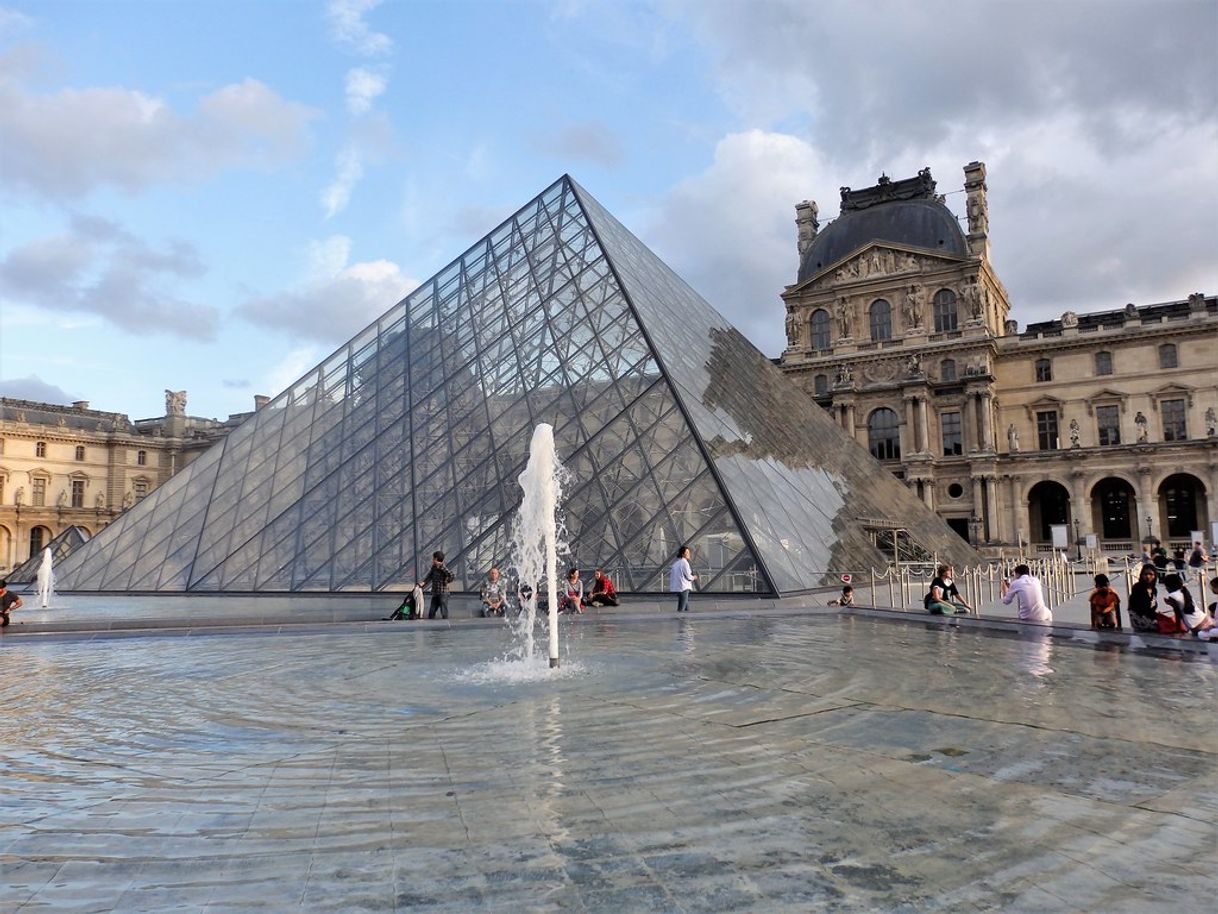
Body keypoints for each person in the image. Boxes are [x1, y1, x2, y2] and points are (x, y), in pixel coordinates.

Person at [417, 551, 454, 620]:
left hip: (443, 593)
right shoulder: (434, 567)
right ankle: (431, 621)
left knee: (443, 610)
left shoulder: (443, 568)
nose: (432, 560)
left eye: (433, 559)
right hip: (435, 592)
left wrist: (447, 581)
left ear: (436, 559)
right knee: (432, 610)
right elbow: (430, 576)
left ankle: (445, 623)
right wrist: (423, 582)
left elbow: (451, 575)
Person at [1128, 564, 1160, 632]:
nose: (1148, 576)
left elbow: (1152, 606)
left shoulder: (1154, 590)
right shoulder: (1137, 588)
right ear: (1141, 575)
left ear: (1155, 576)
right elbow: (1140, 608)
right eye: (1145, 574)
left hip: (1149, 617)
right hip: (1139, 618)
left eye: (1151, 574)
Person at [669, 545, 697, 613]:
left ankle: (686, 621)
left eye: (689, 552)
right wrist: (694, 577)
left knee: (686, 608)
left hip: (677, 587)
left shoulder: (676, 564)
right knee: (681, 608)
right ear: (682, 554)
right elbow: (688, 576)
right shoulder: (684, 563)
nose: (689, 554)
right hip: (684, 587)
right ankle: (680, 621)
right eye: (687, 552)